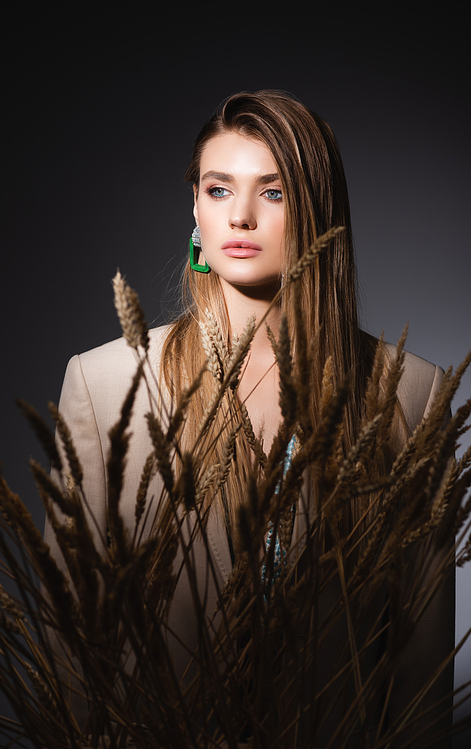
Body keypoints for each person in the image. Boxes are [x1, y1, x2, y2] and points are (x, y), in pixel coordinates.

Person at [45, 90, 455, 747]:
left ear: (319, 211)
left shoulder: (409, 393)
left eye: (273, 192)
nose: (239, 215)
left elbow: (421, 672)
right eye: (217, 188)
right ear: (195, 209)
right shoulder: (103, 383)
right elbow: (71, 649)